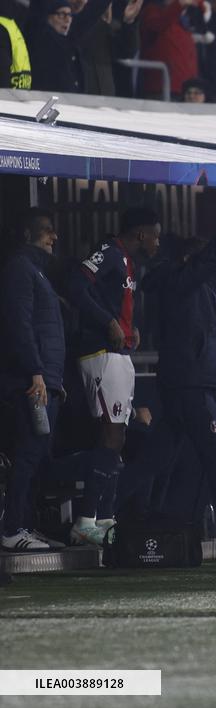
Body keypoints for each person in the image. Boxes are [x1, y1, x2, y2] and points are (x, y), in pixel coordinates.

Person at [119, 196, 216, 556]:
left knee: (156, 458)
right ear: (190, 261)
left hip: (190, 384)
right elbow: (210, 259)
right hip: (191, 385)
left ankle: (100, 512)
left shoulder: (194, 287)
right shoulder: (178, 281)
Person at [68, 206, 160, 545]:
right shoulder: (108, 252)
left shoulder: (128, 261)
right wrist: (107, 322)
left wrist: (127, 326)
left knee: (117, 436)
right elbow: (75, 284)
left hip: (118, 354)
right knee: (111, 433)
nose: (158, 243)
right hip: (100, 352)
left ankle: (105, 518)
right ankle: (85, 520)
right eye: (155, 236)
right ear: (141, 234)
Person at [0, 209, 65, 551]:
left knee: (38, 453)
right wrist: (36, 372)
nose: (54, 237)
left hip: (44, 378)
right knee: (29, 451)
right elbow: (20, 325)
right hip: (30, 380)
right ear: (28, 234)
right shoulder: (20, 269)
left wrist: (52, 377)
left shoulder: (36, 271)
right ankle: (11, 529)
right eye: (47, 230)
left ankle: (23, 524)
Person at [27, 0, 112, 93]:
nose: (67, 19)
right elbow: (37, 8)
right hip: (44, 99)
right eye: (62, 14)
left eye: (69, 14)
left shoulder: (70, 37)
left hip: (73, 100)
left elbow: (92, 12)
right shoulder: (39, 35)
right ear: (47, 16)